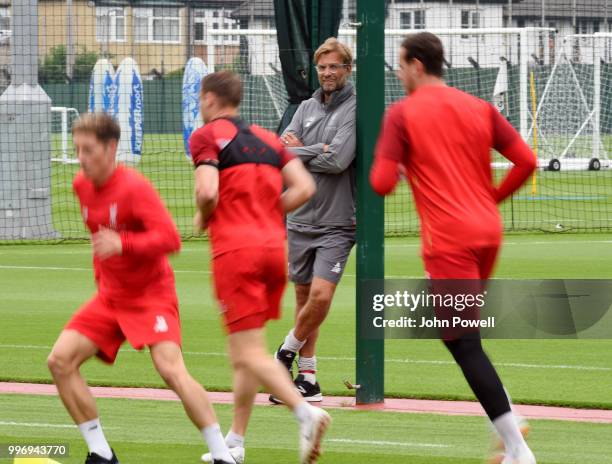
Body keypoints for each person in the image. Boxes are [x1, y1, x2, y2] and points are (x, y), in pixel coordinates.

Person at [370, 32, 538, 464]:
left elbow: (380, 184)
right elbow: (527, 161)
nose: (399, 73)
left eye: (400, 65)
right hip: (487, 234)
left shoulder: (401, 114)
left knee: (462, 340)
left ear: (417, 65)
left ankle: (517, 445)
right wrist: (491, 201)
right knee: (460, 335)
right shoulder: (479, 107)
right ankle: (508, 426)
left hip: (451, 240)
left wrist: (401, 161)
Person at [47, 113, 237, 464]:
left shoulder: (134, 187)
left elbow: (170, 239)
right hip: (110, 298)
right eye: (77, 150)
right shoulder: (80, 185)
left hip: (151, 296)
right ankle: (101, 453)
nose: (82, 158)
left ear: (111, 147)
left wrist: (123, 244)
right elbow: (99, 239)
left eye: (88, 150)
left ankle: (223, 455)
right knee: (59, 361)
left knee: (170, 370)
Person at [190, 71, 330, 464]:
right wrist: (267, 213)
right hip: (273, 250)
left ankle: (306, 412)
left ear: (210, 99)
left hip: (237, 252)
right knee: (245, 352)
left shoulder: (206, 136)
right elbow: (304, 188)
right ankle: (235, 442)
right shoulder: (269, 140)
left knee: (247, 352)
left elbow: (206, 190)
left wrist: (205, 216)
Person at [273, 37, 357, 403]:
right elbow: (279, 151)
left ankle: (284, 353)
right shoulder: (306, 105)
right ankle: (307, 378)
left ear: (347, 69)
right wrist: (314, 150)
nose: (327, 73)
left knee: (321, 296)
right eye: (322, 67)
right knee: (304, 299)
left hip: (338, 221)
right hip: (299, 219)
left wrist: (298, 150)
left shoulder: (356, 106)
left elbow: (339, 160)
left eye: (334, 66)